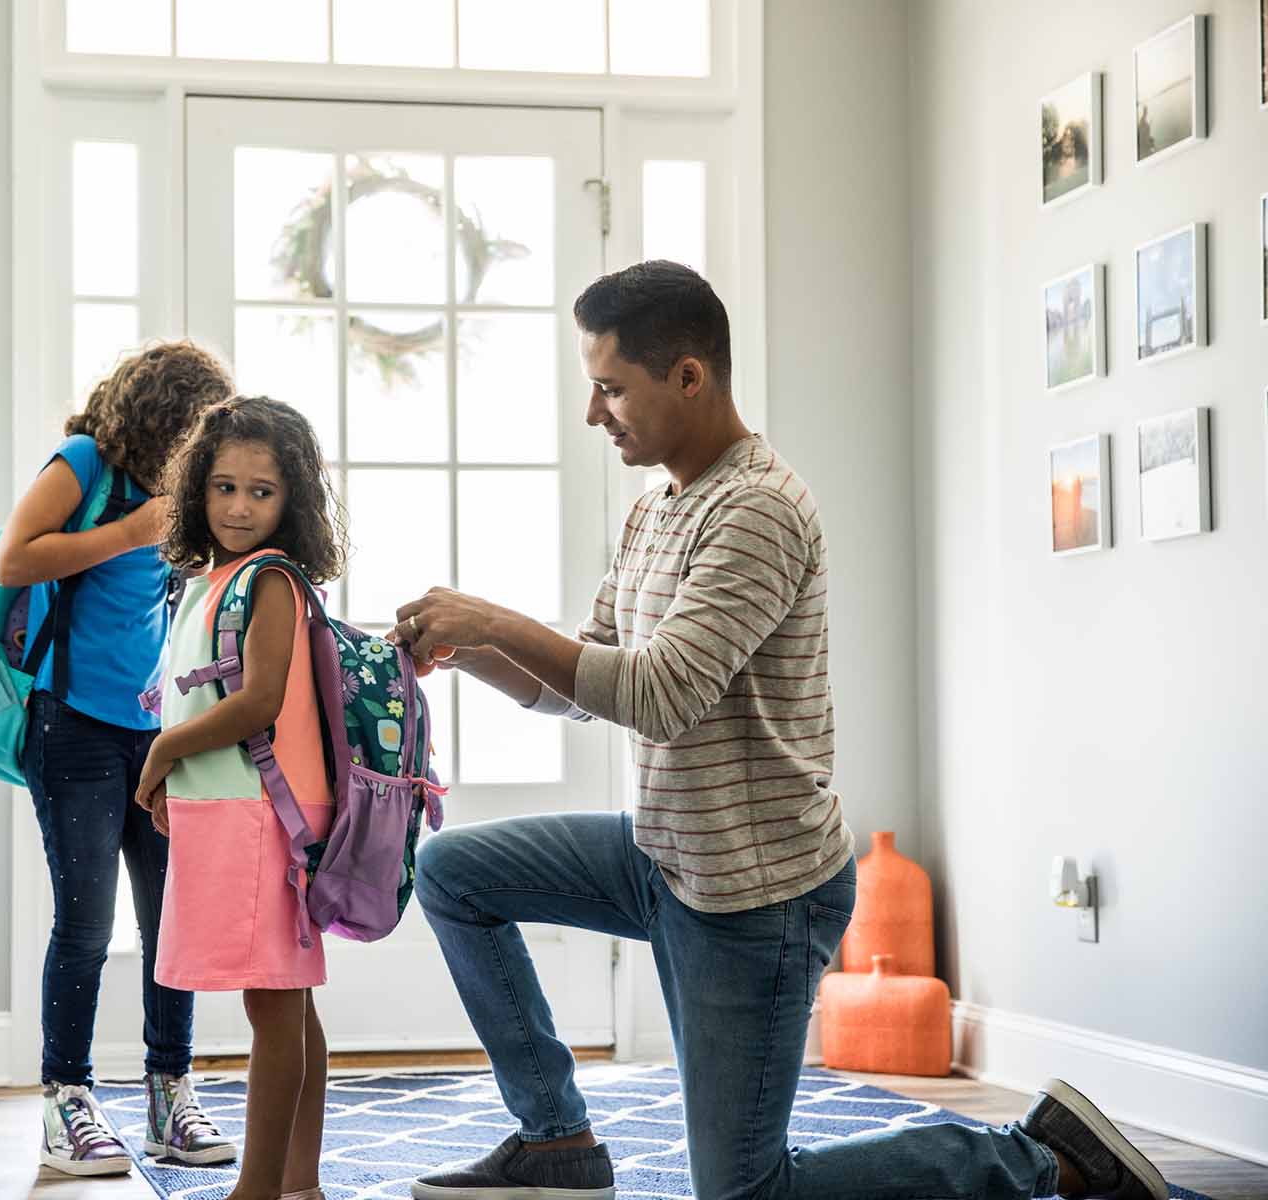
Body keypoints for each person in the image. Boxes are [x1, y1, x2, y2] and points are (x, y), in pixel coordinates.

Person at [391, 261, 1167, 1200]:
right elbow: (588, 681)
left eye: (609, 387)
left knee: (744, 1194)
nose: (595, 414)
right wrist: (464, 651)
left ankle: (1042, 1157)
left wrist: (495, 620)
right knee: (453, 873)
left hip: (755, 894)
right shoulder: (657, 510)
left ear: (689, 375)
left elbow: (661, 693)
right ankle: (556, 1138)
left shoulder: (758, 508)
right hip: (665, 856)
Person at [0, 341, 236, 1176]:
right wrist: (129, 531)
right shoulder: (86, 463)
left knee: (175, 922)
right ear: (158, 420)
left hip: (156, 730)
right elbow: (12, 560)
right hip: (71, 728)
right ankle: (69, 1102)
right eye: (192, 433)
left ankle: (171, 1094)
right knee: (88, 926)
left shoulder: (187, 485)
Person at [135, 396, 349, 1200]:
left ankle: (257, 1189)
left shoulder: (270, 581)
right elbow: (199, 696)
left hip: (267, 815)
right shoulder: (208, 580)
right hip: (231, 809)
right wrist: (176, 779)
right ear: (197, 491)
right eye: (223, 487)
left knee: (274, 1007)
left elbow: (258, 702)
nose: (238, 506)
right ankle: (301, 1184)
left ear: (292, 499)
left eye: (262, 491)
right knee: (290, 1002)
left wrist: (161, 753)